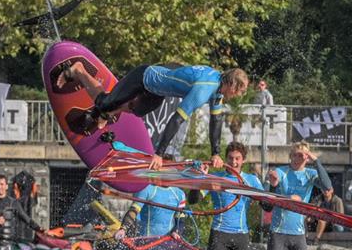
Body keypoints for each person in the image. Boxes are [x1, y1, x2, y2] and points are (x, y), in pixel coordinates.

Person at [57, 63, 249, 170]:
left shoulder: (218, 88)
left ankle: (107, 113)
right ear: (232, 85)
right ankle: (79, 72)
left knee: (136, 111)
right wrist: (158, 153)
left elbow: (215, 122)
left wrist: (215, 152)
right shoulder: (204, 90)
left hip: (156, 92)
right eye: (239, 91)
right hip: (144, 78)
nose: (238, 96)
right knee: (104, 102)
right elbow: (177, 119)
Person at [188, 141, 265, 250]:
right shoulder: (216, 178)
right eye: (230, 158)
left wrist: (273, 188)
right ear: (226, 159)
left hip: (242, 236)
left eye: (237, 159)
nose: (234, 162)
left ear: (243, 160)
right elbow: (194, 199)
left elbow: (267, 206)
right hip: (220, 235)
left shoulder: (252, 180)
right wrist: (198, 180)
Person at [266, 142, 333, 250]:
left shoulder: (310, 174)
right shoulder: (281, 172)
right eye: (295, 154)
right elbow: (269, 201)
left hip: (298, 234)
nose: (297, 158)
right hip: (278, 232)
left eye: (302, 155)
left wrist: (316, 161)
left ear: (307, 158)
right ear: (290, 156)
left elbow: (327, 186)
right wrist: (280, 191)